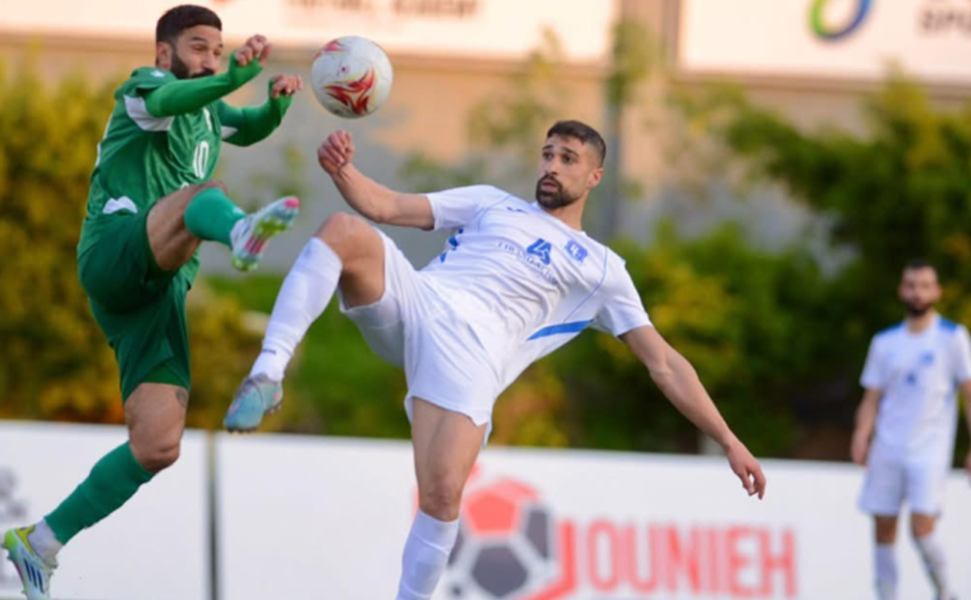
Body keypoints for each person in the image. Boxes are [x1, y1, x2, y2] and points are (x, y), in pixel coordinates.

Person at [224, 121, 767, 600]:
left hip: (471, 357)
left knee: (441, 496)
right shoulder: (491, 202)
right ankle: (269, 372)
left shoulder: (603, 270)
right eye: (548, 154)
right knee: (344, 230)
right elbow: (386, 206)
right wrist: (343, 170)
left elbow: (664, 363)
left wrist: (728, 439)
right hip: (420, 302)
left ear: (594, 177)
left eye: (568, 158)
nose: (552, 166)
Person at [1, 5, 304, 598]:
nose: (210, 60)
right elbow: (170, 102)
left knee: (159, 443)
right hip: (115, 251)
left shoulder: (209, 108)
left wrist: (276, 104)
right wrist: (234, 77)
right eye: (198, 48)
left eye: (217, 51)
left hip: (157, 288)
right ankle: (240, 231)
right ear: (165, 53)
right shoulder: (145, 88)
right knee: (199, 196)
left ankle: (40, 542)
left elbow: (249, 126)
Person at [851, 260, 971, 600]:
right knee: (883, 527)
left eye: (924, 286)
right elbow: (872, 398)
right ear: (902, 290)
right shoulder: (885, 342)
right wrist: (862, 434)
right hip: (888, 447)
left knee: (922, 528)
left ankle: (945, 592)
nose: (918, 292)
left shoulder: (952, 337)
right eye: (911, 285)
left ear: (937, 291)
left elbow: (968, 393)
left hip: (929, 449)